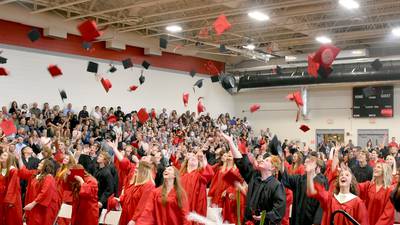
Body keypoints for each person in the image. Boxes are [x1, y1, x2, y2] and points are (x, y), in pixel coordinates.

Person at [221, 132, 286, 224]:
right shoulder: (254, 177)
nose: (263, 160)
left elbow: (279, 210)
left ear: (272, 168)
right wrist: (230, 142)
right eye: (264, 159)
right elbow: (241, 162)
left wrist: (264, 216)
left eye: (267, 160)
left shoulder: (276, 185)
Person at [306, 160, 369, 225]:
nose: (343, 176)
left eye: (347, 175)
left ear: (351, 182)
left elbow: (363, 222)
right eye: (341, 175)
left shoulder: (357, 202)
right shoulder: (331, 199)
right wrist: (309, 174)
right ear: (338, 181)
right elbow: (312, 191)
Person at [281, 152, 328, 225]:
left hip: (311, 220)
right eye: (305, 162)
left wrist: (316, 222)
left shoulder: (321, 182)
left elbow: (321, 205)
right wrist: (282, 162)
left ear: (316, 166)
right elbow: (286, 178)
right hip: (297, 219)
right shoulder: (299, 179)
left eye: (308, 162)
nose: (305, 164)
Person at [18, 158, 61, 225]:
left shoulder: (49, 177)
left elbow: (44, 193)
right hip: (34, 205)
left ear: (46, 166)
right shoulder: (36, 174)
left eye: (41, 163)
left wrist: (32, 204)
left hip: (42, 208)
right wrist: (19, 159)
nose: (39, 164)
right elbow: (24, 172)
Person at [179, 150, 214, 221]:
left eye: (195, 158)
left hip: (196, 205)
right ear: (187, 162)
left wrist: (204, 161)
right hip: (181, 204)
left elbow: (210, 174)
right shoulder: (181, 176)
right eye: (191, 157)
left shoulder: (200, 174)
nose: (193, 158)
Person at [0, 151, 23, 225]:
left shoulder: (13, 170)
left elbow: (13, 187)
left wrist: (10, 200)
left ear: (9, 159)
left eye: (5, 155)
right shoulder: (1, 169)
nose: (2, 156)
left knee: (10, 219)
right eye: (2, 154)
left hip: (10, 199)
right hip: (1, 197)